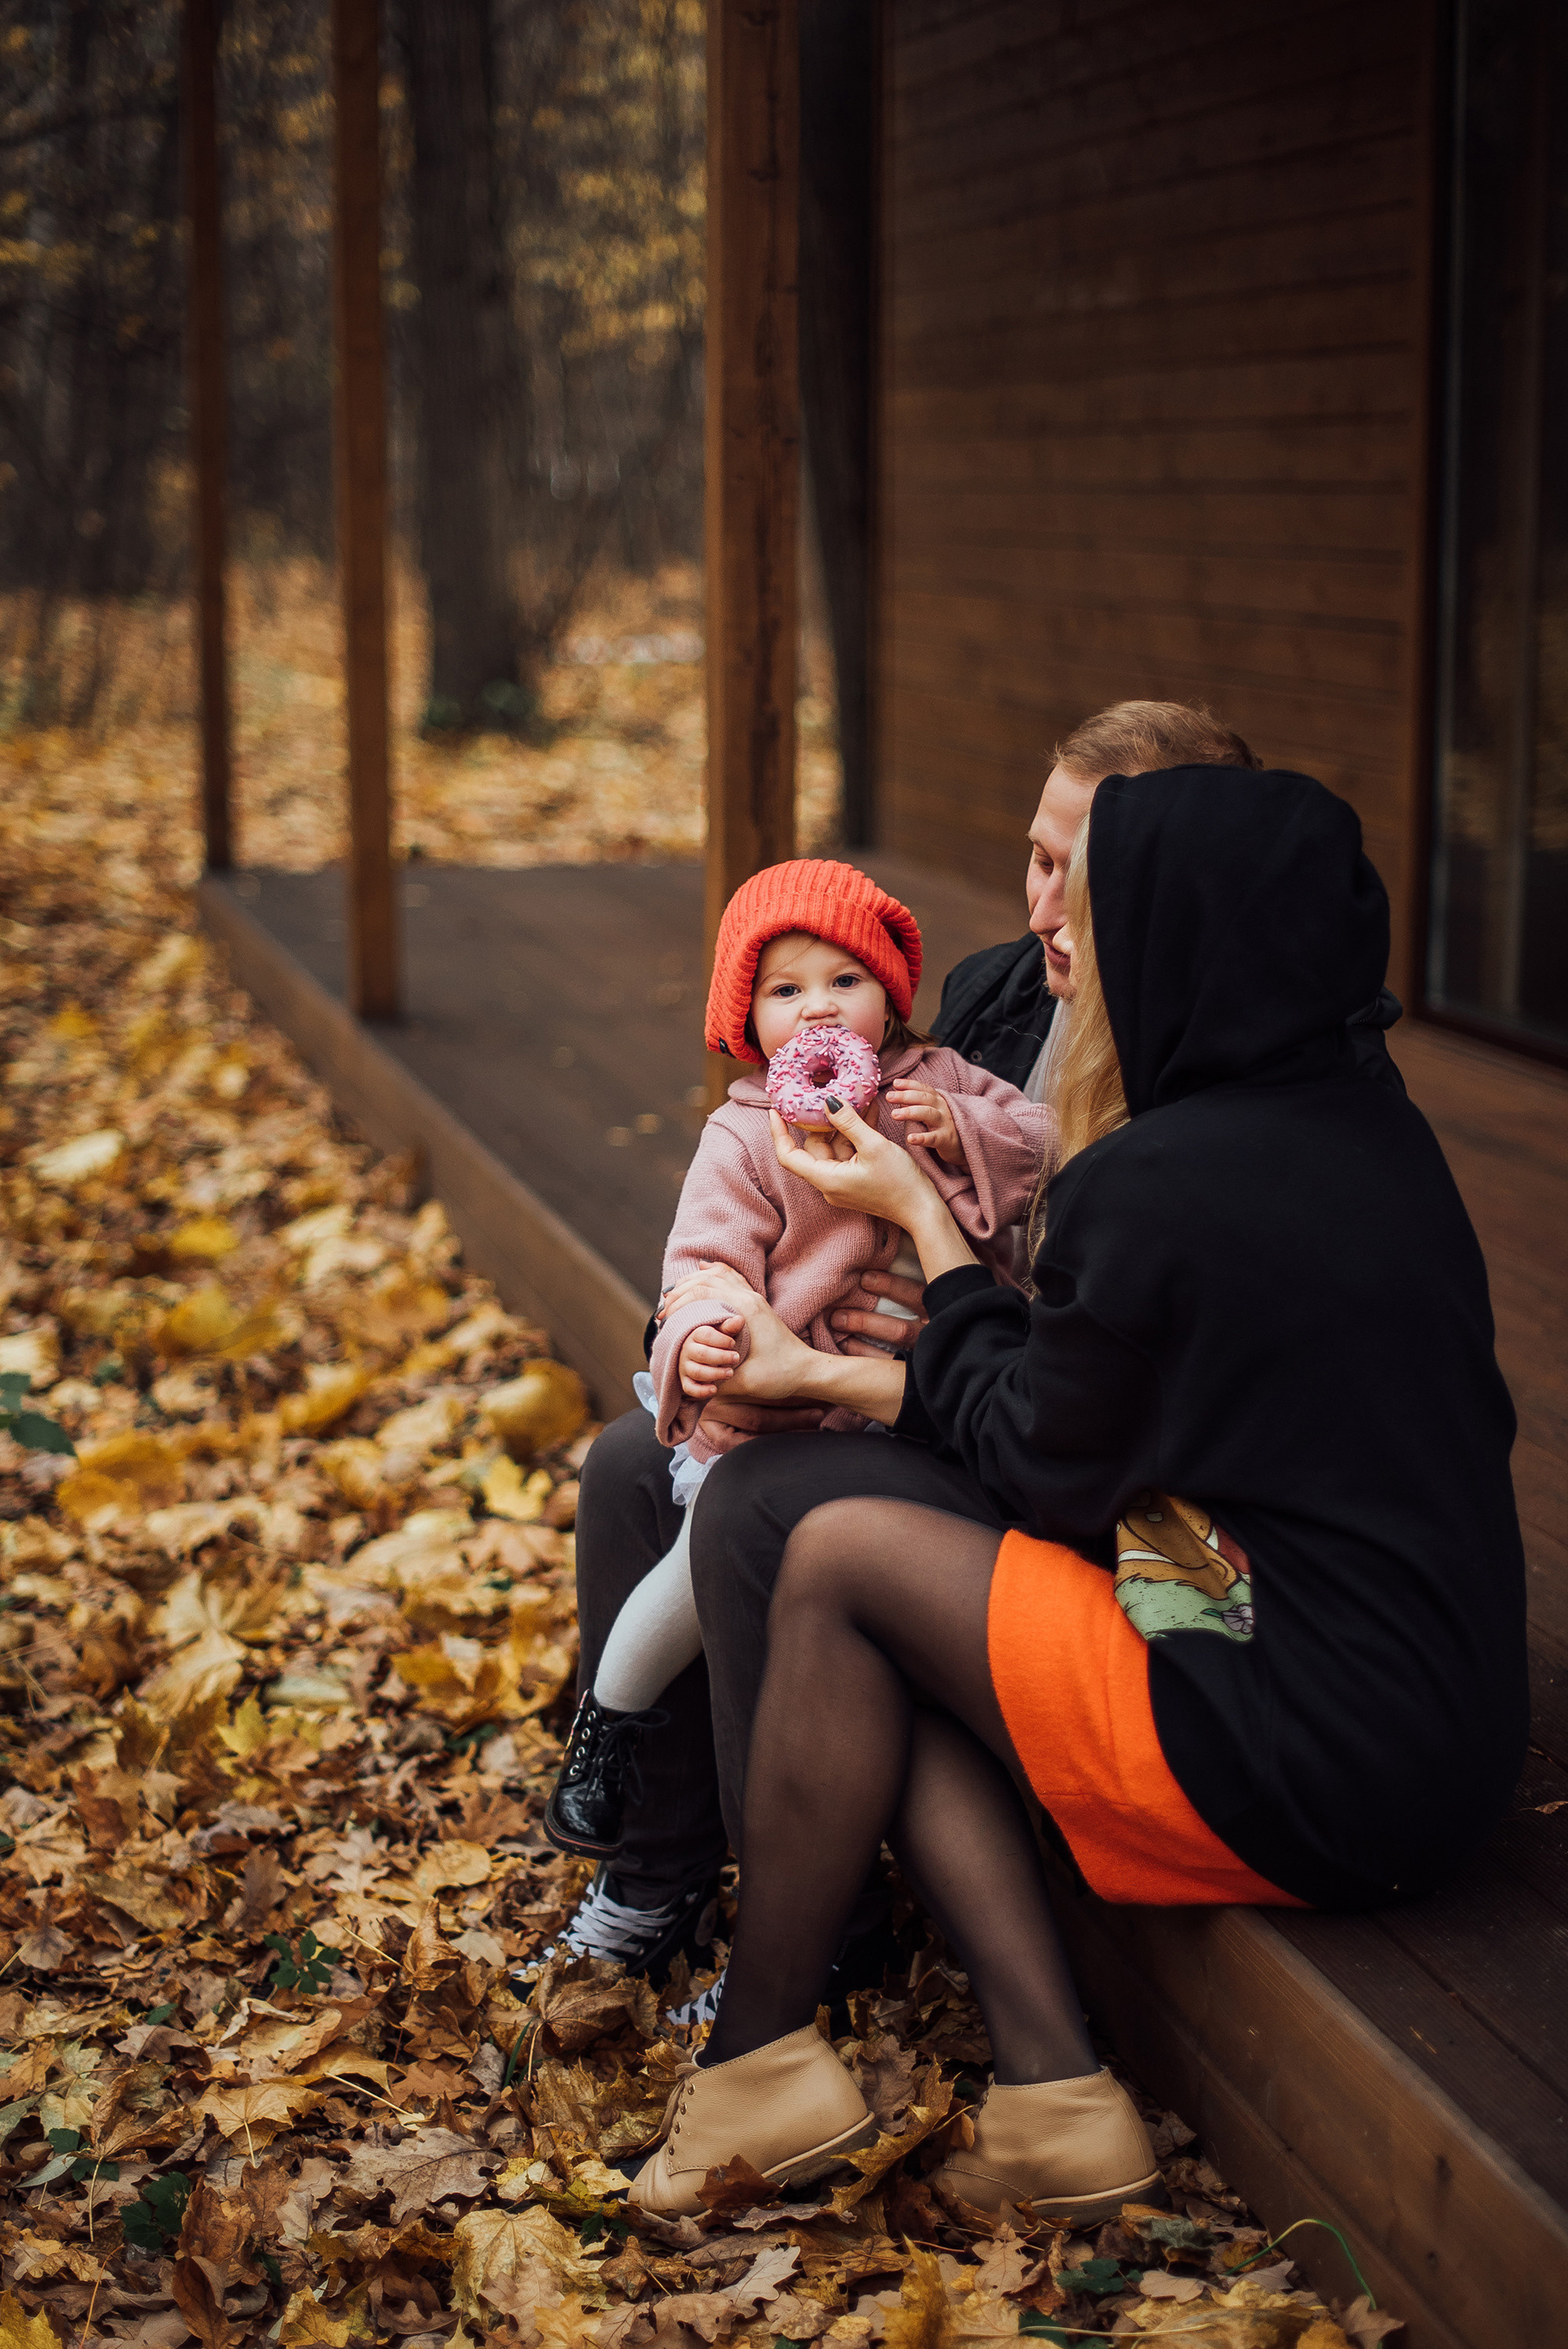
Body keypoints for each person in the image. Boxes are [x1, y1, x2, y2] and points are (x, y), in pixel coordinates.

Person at [626, 765, 1529, 2219]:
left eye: (1097, 923)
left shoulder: (1162, 1181)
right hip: (1422, 1703)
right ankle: (1040, 2093)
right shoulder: (1375, 1135)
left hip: (1293, 1723)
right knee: (854, 1572)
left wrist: (925, 1234)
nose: (1068, 961)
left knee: (845, 1566)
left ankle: (771, 2055)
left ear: (1181, 945)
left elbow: (1047, 1466)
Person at [543, 700, 1265, 1979]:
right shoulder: (997, 994)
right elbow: (721, 1235)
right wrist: (705, 1339)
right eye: (1037, 858)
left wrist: (896, 1317)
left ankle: (803, 1923)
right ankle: (652, 1873)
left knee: (759, 1499)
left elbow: (1102, 1367)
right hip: (872, 1381)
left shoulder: (1208, 1073)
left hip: (1024, 1434)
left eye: (1080, 877)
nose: (1043, 909)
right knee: (621, 1466)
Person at [543, 859, 1051, 1861]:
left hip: (909, 1407)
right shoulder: (742, 1136)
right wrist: (702, 1342)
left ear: (890, 996)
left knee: (736, 1539)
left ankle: (718, 1808)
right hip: (781, 1407)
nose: (817, 1007)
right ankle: (612, 1723)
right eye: (785, 989)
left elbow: (1049, 1144)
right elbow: (697, 1268)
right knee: (673, 1525)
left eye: (843, 980)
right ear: (747, 1020)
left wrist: (963, 1131)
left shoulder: (940, 1083)